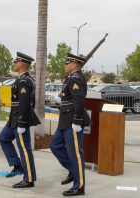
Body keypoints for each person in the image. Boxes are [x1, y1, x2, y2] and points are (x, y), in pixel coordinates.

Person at [50, 53, 91, 196]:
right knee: (54, 146)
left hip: (72, 120)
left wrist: (77, 121)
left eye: (67, 63)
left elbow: (79, 102)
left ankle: (79, 187)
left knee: (76, 154)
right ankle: (73, 170)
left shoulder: (76, 79)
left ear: (74, 64)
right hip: (65, 120)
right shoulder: (70, 78)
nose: (65, 65)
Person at [5, 52, 41, 188]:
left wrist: (21, 121)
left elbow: (25, 103)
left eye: (16, 62)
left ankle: (29, 178)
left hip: (20, 118)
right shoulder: (22, 79)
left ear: (21, 64)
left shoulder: (25, 80)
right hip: (14, 118)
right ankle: (17, 165)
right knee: (4, 138)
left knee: (24, 149)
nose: (14, 64)